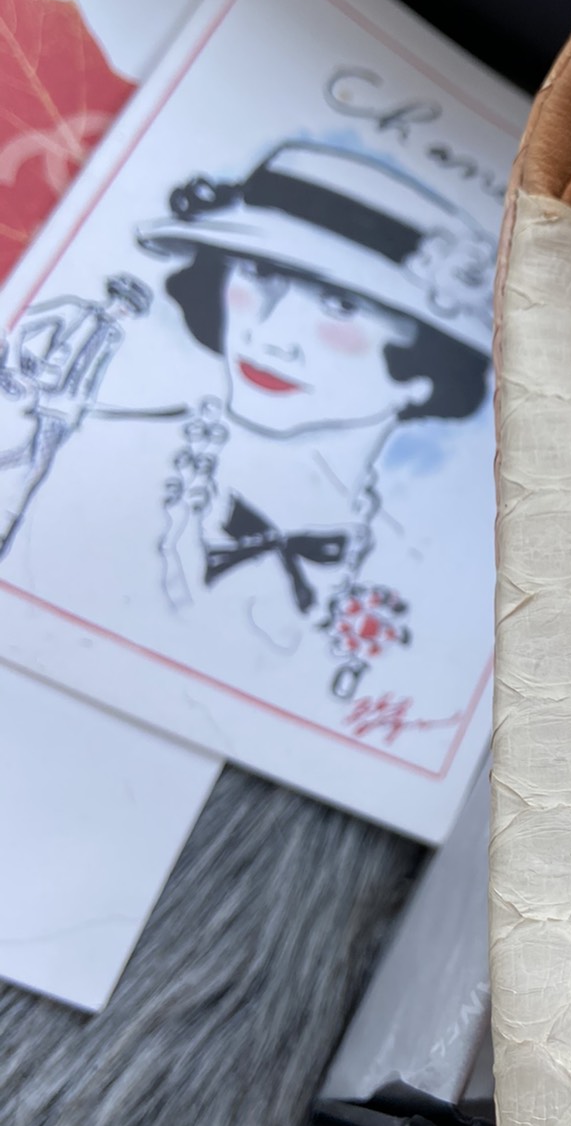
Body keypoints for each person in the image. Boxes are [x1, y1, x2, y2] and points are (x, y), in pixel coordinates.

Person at [0, 141, 496, 706]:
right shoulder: (74, 455)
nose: (272, 332)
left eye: (339, 305)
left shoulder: (425, 586)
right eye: (258, 273)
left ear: (426, 370)